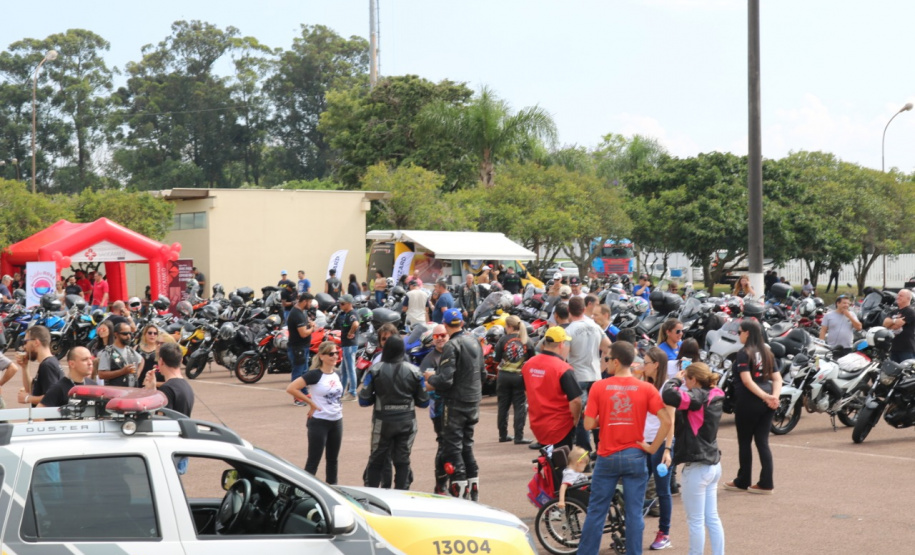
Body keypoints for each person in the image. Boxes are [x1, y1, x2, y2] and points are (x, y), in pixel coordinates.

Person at [578, 341, 671, 555]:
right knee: (634, 513)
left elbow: (588, 424)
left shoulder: (599, 386)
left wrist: (607, 418)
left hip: (607, 456)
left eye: (608, 359)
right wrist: (652, 448)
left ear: (617, 361)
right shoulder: (646, 388)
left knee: (596, 512)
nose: (606, 362)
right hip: (635, 456)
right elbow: (666, 421)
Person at [662, 362, 726, 555]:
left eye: (687, 380)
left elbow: (669, 394)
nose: (685, 384)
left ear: (694, 379)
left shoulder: (697, 396)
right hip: (713, 463)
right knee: (711, 517)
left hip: (697, 467)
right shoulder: (716, 394)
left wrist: (675, 379)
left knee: (696, 521)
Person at [425, 308, 483, 500]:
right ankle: (473, 489)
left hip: (456, 402)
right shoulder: (474, 340)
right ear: (462, 323)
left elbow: (446, 380)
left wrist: (431, 378)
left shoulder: (453, 345)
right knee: (467, 444)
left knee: (453, 447)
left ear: (446, 324)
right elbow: (482, 374)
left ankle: (459, 490)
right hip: (473, 400)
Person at [359, 335, 430, 489]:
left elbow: (363, 400)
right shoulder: (415, 371)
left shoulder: (375, 370)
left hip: (382, 421)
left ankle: (371, 496)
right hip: (407, 420)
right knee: (402, 459)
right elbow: (424, 402)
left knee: (377, 459)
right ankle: (401, 496)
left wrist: (377, 397)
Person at [724, 319, 781, 494]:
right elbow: (778, 378)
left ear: (747, 333)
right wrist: (774, 397)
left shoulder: (743, 353)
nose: (739, 335)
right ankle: (766, 482)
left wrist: (766, 397)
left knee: (745, 441)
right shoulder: (767, 352)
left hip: (749, 401)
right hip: (767, 402)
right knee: (762, 442)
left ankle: (743, 480)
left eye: (740, 331)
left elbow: (747, 381)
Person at [286, 342, 343, 484]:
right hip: (319, 422)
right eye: (331, 353)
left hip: (336, 421)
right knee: (313, 461)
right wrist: (310, 402)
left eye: (336, 352)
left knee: (332, 460)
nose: (335, 356)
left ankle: (333, 489)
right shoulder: (315, 375)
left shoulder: (337, 374)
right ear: (322, 356)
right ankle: (304, 491)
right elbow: (291, 388)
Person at [521, 326, 582, 451]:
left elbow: (526, 391)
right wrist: (576, 420)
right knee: (560, 463)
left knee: (548, 462)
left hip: (538, 423)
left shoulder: (528, 364)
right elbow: (575, 400)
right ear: (561, 344)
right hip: (560, 425)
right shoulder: (562, 368)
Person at [640, 347, 675, 551]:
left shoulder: (667, 389)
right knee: (636, 485)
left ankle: (665, 533)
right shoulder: (647, 385)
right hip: (644, 443)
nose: (643, 366)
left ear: (656, 365)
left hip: (661, 444)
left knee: (663, 492)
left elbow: (671, 422)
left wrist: (668, 450)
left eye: (646, 362)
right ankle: (634, 528)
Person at [566, 296, 611, 451]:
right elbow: (609, 348)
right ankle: (601, 450)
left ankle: (584, 452)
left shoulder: (569, 330)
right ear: (584, 309)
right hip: (595, 376)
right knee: (598, 415)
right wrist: (603, 366)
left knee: (581, 418)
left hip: (578, 376)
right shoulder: (595, 326)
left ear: (568, 311)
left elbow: (563, 357)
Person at [493, 315, 536, 444]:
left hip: (503, 376)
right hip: (519, 377)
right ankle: (519, 436)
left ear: (510, 327)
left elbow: (496, 359)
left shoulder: (502, 340)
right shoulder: (527, 341)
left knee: (503, 406)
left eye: (506, 326)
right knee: (520, 406)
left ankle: (503, 435)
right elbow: (531, 360)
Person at [420, 324, 450, 493]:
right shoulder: (429, 359)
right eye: (437, 336)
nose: (440, 338)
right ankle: (440, 483)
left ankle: (455, 479)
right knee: (443, 442)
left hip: (454, 405)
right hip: (438, 407)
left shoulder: (453, 354)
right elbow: (424, 385)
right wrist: (442, 383)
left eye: (443, 335)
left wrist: (436, 380)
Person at [143, 342, 194, 417]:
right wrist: (153, 389)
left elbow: (162, 420)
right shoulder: (186, 386)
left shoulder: (167, 389)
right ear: (181, 360)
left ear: (161, 361)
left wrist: (149, 392)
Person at [17, 325, 64, 407]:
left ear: (36, 342)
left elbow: (53, 397)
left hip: (47, 419)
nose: (24, 347)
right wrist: (25, 367)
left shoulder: (47, 366)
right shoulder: (48, 363)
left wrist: (27, 398)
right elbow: (30, 390)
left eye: (26, 342)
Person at [287, 292, 316, 405]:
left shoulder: (300, 312)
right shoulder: (297, 314)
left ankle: (304, 392)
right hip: (297, 348)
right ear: (304, 301)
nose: (310, 304)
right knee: (298, 372)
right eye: (309, 302)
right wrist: (312, 328)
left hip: (302, 347)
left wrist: (309, 324)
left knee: (304, 372)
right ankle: (297, 397)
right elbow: (303, 333)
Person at [97, 322, 143, 387]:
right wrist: (122, 371)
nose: (128, 336)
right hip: (115, 393)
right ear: (116, 334)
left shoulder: (130, 350)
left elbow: (141, 360)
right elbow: (101, 374)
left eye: (130, 333)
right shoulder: (108, 352)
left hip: (132, 392)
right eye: (125, 334)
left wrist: (137, 373)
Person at [334, 294, 360, 400]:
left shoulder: (351, 314)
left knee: (350, 369)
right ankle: (342, 392)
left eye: (343, 303)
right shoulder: (347, 314)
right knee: (344, 370)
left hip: (349, 345)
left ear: (349, 304)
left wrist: (350, 333)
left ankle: (352, 392)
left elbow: (355, 324)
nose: (340, 305)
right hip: (346, 345)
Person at [883, 288, 915, 363]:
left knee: (907, 372)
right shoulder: (894, 311)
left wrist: (890, 324)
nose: (898, 297)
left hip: (906, 349)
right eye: (898, 295)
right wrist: (894, 321)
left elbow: (897, 326)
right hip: (893, 348)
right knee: (893, 373)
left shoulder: (910, 311)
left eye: (901, 296)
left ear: (908, 298)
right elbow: (885, 323)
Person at [557, 445, 590, 510]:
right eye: (584, 466)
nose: (584, 469)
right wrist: (561, 501)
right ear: (579, 463)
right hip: (581, 493)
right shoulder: (570, 473)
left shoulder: (574, 471)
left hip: (584, 489)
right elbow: (563, 486)